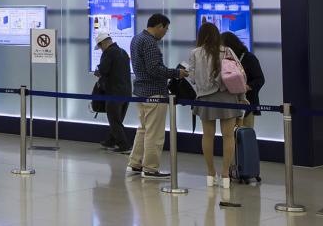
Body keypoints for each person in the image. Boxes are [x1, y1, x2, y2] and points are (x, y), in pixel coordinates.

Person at [186, 22, 246, 189]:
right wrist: (242, 97)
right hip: (228, 97)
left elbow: (192, 78)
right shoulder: (227, 50)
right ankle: (225, 175)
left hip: (205, 99)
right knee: (228, 136)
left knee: (207, 136)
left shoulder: (195, 53)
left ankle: (210, 174)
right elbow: (240, 74)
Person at [128, 13, 188, 179]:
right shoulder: (149, 42)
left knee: (143, 130)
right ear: (159, 26)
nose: (165, 33)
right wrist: (177, 73)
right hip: (154, 93)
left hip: (140, 92)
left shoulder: (136, 39)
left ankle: (135, 163)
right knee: (154, 133)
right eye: (166, 29)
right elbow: (154, 69)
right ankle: (150, 168)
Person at [94, 32, 132, 153]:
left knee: (114, 120)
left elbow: (103, 70)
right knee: (117, 118)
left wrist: (98, 71)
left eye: (100, 47)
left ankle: (124, 145)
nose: (100, 49)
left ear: (103, 43)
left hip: (114, 92)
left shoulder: (108, 52)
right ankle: (110, 141)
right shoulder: (123, 52)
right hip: (126, 92)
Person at [222, 31, 264, 129]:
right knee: (230, 136)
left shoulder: (249, 58)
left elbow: (260, 79)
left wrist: (246, 87)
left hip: (247, 103)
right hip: (230, 103)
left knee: (245, 135)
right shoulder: (226, 60)